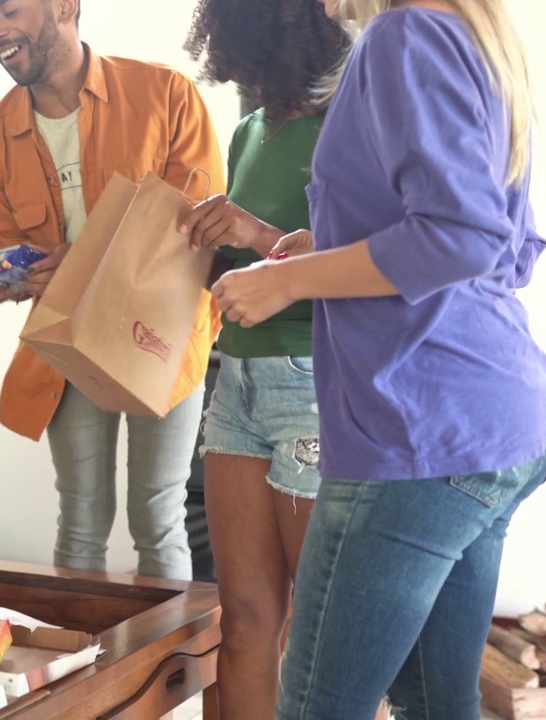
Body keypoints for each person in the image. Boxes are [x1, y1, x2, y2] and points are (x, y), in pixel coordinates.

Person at [209, 0, 546, 716]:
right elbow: (505, 249)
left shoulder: (405, 34)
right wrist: (324, 245)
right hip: (497, 424)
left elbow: (460, 237)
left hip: (419, 432)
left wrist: (285, 281)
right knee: (436, 704)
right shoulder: (475, 36)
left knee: (316, 705)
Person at [0, 0, 224, 579]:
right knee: (80, 518)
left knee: (158, 515)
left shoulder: (166, 95)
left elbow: (200, 222)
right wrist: (6, 280)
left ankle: (169, 667)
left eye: (7, 12)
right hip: (68, 345)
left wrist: (77, 262)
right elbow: (5, 241)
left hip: (164, 336)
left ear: (65, 7)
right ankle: (86, 663)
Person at [179, 1, 351, 716]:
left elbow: (358, 265)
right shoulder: (250, 130)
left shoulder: (348, 123)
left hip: (309, 381)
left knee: (326, 632)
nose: (229, 68)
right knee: (245, 619)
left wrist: (252, 229)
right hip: (236, 385)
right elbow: (245, 261)